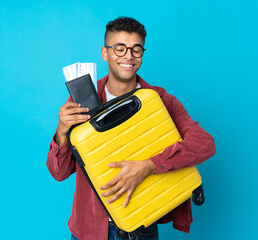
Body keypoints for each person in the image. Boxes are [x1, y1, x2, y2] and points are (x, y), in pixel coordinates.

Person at [47, 16, 216, 240]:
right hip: (88, 231)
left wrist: (149, 166)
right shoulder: (79, 101)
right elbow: (59, 172)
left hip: (141, 227)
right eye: (119, 48)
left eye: (136, 49)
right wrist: (61, 132)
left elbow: (204, 143)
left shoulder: (160, 100)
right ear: (105, 53)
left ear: (142, 55)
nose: (128, 56)